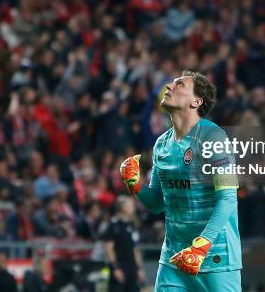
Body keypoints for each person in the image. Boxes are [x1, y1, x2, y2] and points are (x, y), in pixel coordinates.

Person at [120, 70, 241, 291]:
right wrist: (136, 185)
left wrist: (201, 247)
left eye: (179, 85)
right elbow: (157, 203)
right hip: (174, 259)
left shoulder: (214, 138)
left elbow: (228, 199)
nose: (169, 86)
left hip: (215, 257)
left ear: (196, 101)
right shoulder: (162, 145)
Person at [102, 196, 146, 292]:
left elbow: (135, 249)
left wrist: (139, 268)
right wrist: (115, 268)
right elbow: (109, 249)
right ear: (122, 207)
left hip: (132, 268)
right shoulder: (113, 226)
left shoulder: (132, 225)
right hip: (119, 268)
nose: (133, 208)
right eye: (130, 205)